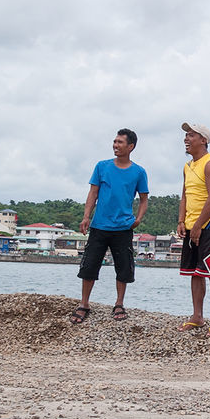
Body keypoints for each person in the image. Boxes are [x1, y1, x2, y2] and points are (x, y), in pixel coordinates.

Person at [69, 129, 149, 324]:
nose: (115, 145)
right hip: (99, 225)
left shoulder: (139, 172)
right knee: (89, 265)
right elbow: (93, 193)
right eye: (114, 141)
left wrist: (138, 219)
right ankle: (84, 304)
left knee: (123, 268)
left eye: (120, 142)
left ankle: (119, 303)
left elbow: (144, 199)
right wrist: (86, 217)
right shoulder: (102, 166)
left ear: (130, 146)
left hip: (123, 227)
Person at [177, 122, 210, 335]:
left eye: (191, 135)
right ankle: (197, 316)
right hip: (191, 225)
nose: (186, 139)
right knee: (195, 272)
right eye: (186, 135)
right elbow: (185, 194)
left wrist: (198, 226)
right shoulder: (188, 166)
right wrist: (181, 221)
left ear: (203, 140)